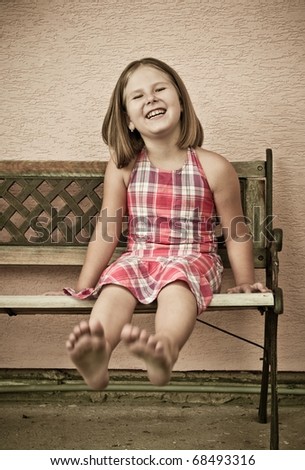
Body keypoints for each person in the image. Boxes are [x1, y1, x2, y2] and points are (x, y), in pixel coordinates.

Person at [64, 57, 268, 390]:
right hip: (140, 255)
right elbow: (108, 227)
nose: (151, 98)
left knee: (177, 285)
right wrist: (84, 286)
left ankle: (164, 348)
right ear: (128, 120)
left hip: (194, 257)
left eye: (160, 89)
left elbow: (236, 229)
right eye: (138, 96)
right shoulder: (123, 166)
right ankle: (97, 353)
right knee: (116, 284)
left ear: (181, 104)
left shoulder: (213, 166)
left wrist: (245, 280)